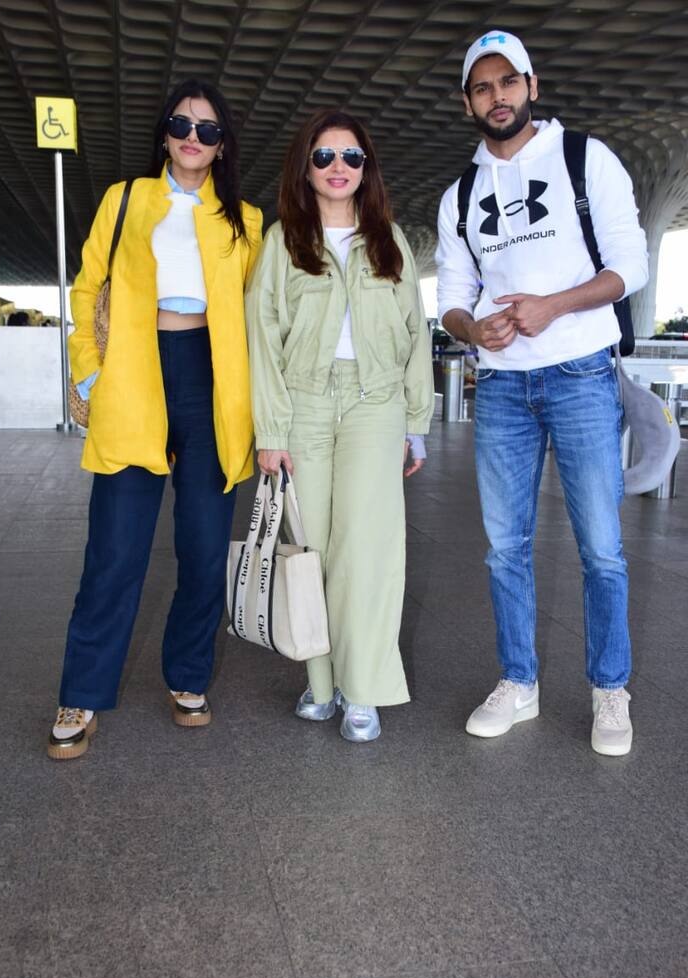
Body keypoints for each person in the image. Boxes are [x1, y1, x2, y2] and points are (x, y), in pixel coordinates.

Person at [436, 31, 648, 756]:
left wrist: (554, 306)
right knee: (504, 549)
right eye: (482, 87)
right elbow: (453, 300)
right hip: (499, 388)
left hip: (582, 373)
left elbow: (630, 267)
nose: (497, 97)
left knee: (602, 548)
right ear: (467, 100)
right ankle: (519, 681)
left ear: (531, 83)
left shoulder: (586, 160)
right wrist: (474, 327)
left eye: (507, 82)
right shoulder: (461, 194)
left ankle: (609, 691)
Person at [47, 79, 262, 760]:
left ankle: (188, 677)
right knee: (114, 549)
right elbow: (85, 289)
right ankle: (81, 691)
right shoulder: (126, 199)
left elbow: (262, 316)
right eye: (181, 124)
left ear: (222, 144)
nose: (192, 138)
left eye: (206, 129)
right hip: (136, 376)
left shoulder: (245, 220)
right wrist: (91, 373)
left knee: (202, 547)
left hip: (214, 382)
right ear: (164, 131)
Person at [246, 109, 433, 743]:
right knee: (312, 550)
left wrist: (416, 420)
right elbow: (262, 337)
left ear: (366, 168)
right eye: (324, 157)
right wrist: (269, 430)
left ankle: (364, 688)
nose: (338, 168)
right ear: (306, 165)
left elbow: (416, 334)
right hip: (303, 405)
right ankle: (321, 685)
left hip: (375, 404)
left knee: (370, 550)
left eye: (351, 157)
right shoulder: (283, 241)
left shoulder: (390, 240)